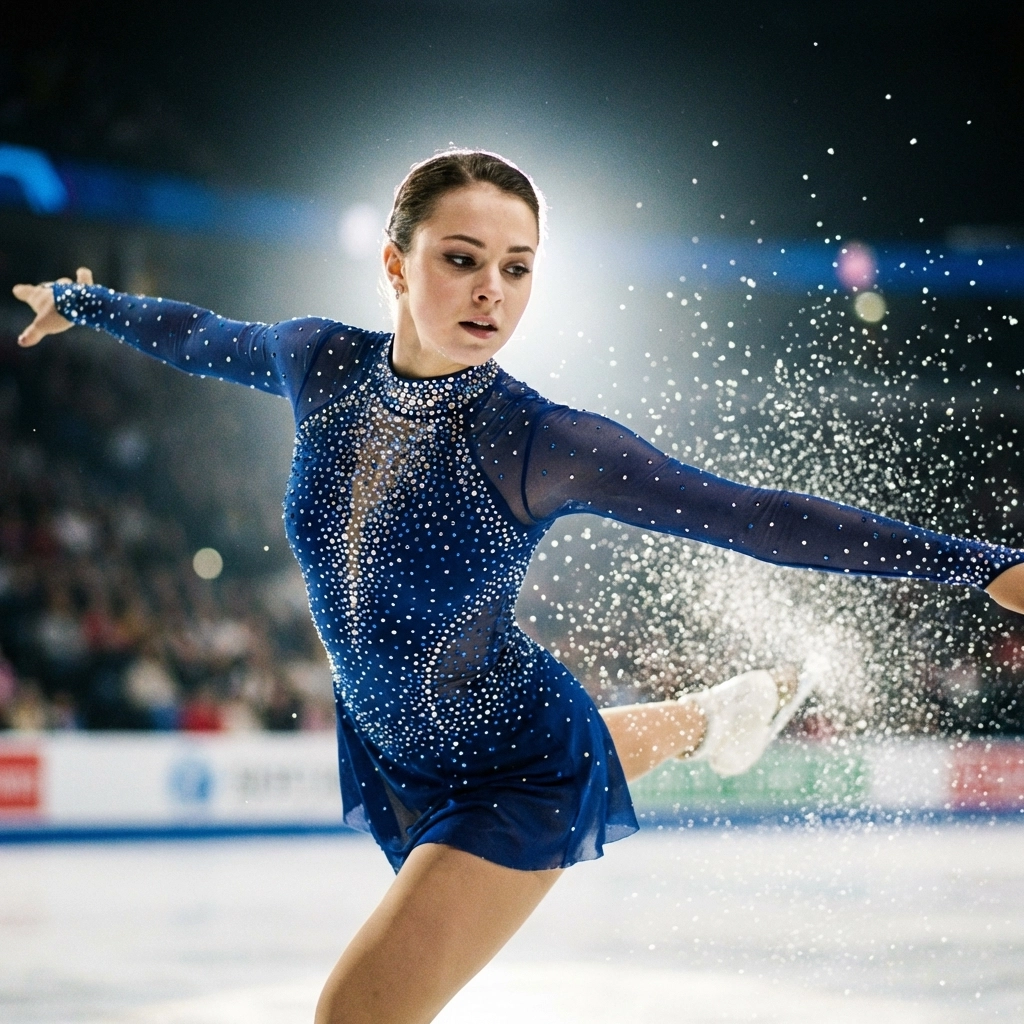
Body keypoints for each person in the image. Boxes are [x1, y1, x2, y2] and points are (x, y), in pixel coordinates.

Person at [13, 149, 1024, 1024]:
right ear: (395, 263)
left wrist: (977, 564)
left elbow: (749, 513)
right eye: (460, 260)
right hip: (393, 745)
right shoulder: (317, 360)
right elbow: (197, 333)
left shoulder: (538, 441)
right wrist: (85, 302)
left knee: (354, 1014)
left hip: (510, 772)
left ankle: (709, 713)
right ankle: (716, 711)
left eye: (517, 268)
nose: (490, 290)